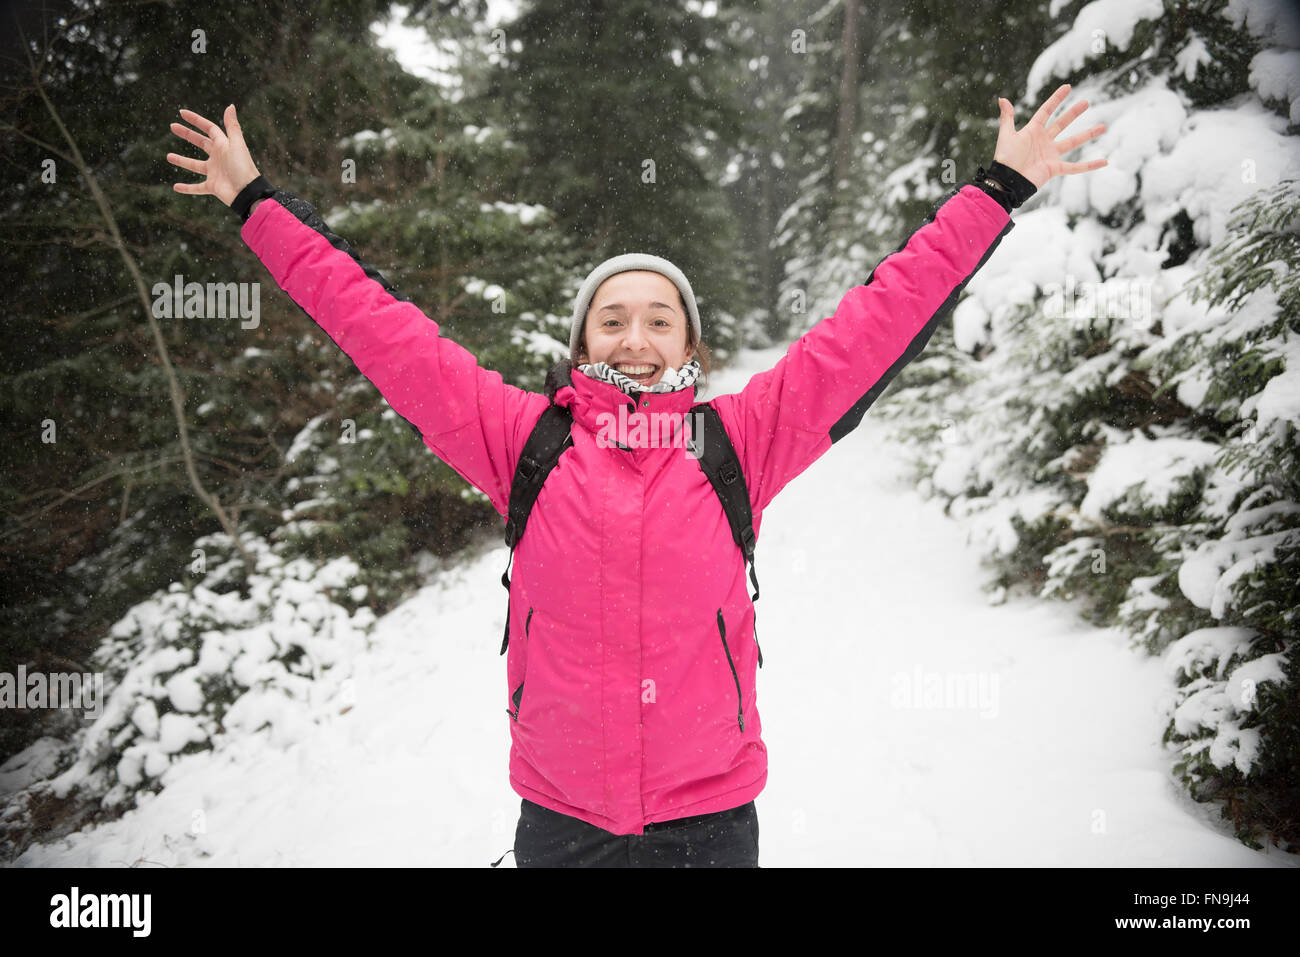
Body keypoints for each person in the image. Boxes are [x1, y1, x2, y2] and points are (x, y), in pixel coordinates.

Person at [166, 84, 1107, 867]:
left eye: (661, 318)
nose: (637, 336)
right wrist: (258, 206)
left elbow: (876, 322)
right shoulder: (520, 441)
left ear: (691, 341)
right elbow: (381, 327)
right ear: (582, 341)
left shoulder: (740, 442)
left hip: (707, 823)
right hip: (563, 820)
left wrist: (998, 187)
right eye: (612, 318)